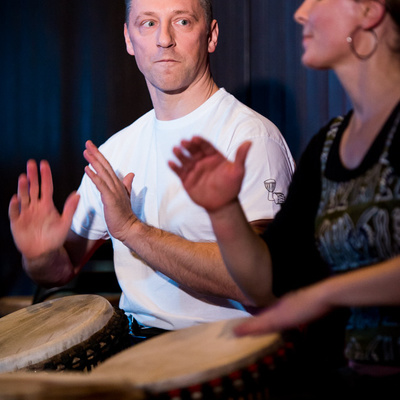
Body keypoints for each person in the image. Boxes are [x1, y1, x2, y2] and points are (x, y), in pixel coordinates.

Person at [8, 0, 295, 342]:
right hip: (135, 349)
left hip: (229, 353)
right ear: (129, 39)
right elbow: (59, 271)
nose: (164, 39)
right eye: (148, 24)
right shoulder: (118, 149)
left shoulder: (250, 138)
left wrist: (131, 229)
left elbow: (259, 285)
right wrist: (40, 255)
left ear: (212, 35)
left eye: (183, 22)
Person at [169, 0, 400, 397]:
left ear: (369, 11)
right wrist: (224, 209)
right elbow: (265, 283)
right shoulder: (327, 147)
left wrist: (323, 294)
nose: (301, 12)